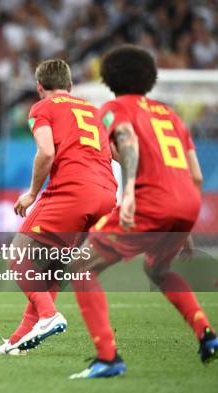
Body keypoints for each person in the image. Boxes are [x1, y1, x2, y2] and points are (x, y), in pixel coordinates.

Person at [69, 45, 218, 379]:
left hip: (150, 201)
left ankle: (107, 358)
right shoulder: (170, 115)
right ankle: (207, 335)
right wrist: (186, 226)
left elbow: (126, 138)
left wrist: (130, 191)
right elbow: (195, 174)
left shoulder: (114, 107)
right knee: (158, 269)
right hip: (186, 204)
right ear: (150, 78)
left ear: (108, 78)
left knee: (81, 266)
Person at [0, 59, 117, 355]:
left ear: (39, 87)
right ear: (71, 87)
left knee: (18, 255)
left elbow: (46, 152)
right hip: (107, 194)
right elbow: (115, 152)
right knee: (53, 267)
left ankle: (48, 316)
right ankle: (18, 340)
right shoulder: (94, 110)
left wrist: (32, 192)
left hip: (73, 190)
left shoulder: (43, 108)